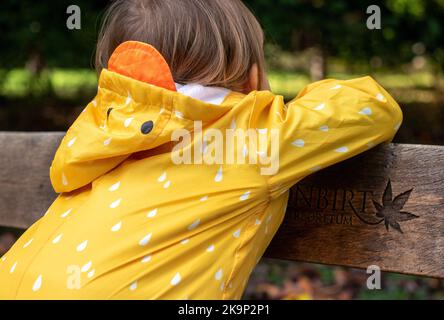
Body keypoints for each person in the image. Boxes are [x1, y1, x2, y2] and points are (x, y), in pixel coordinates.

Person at [0, 0, 402, 299]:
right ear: (252, 74)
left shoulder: (106, 134)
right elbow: (373, 107)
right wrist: (272, 109)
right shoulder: (247, 136)